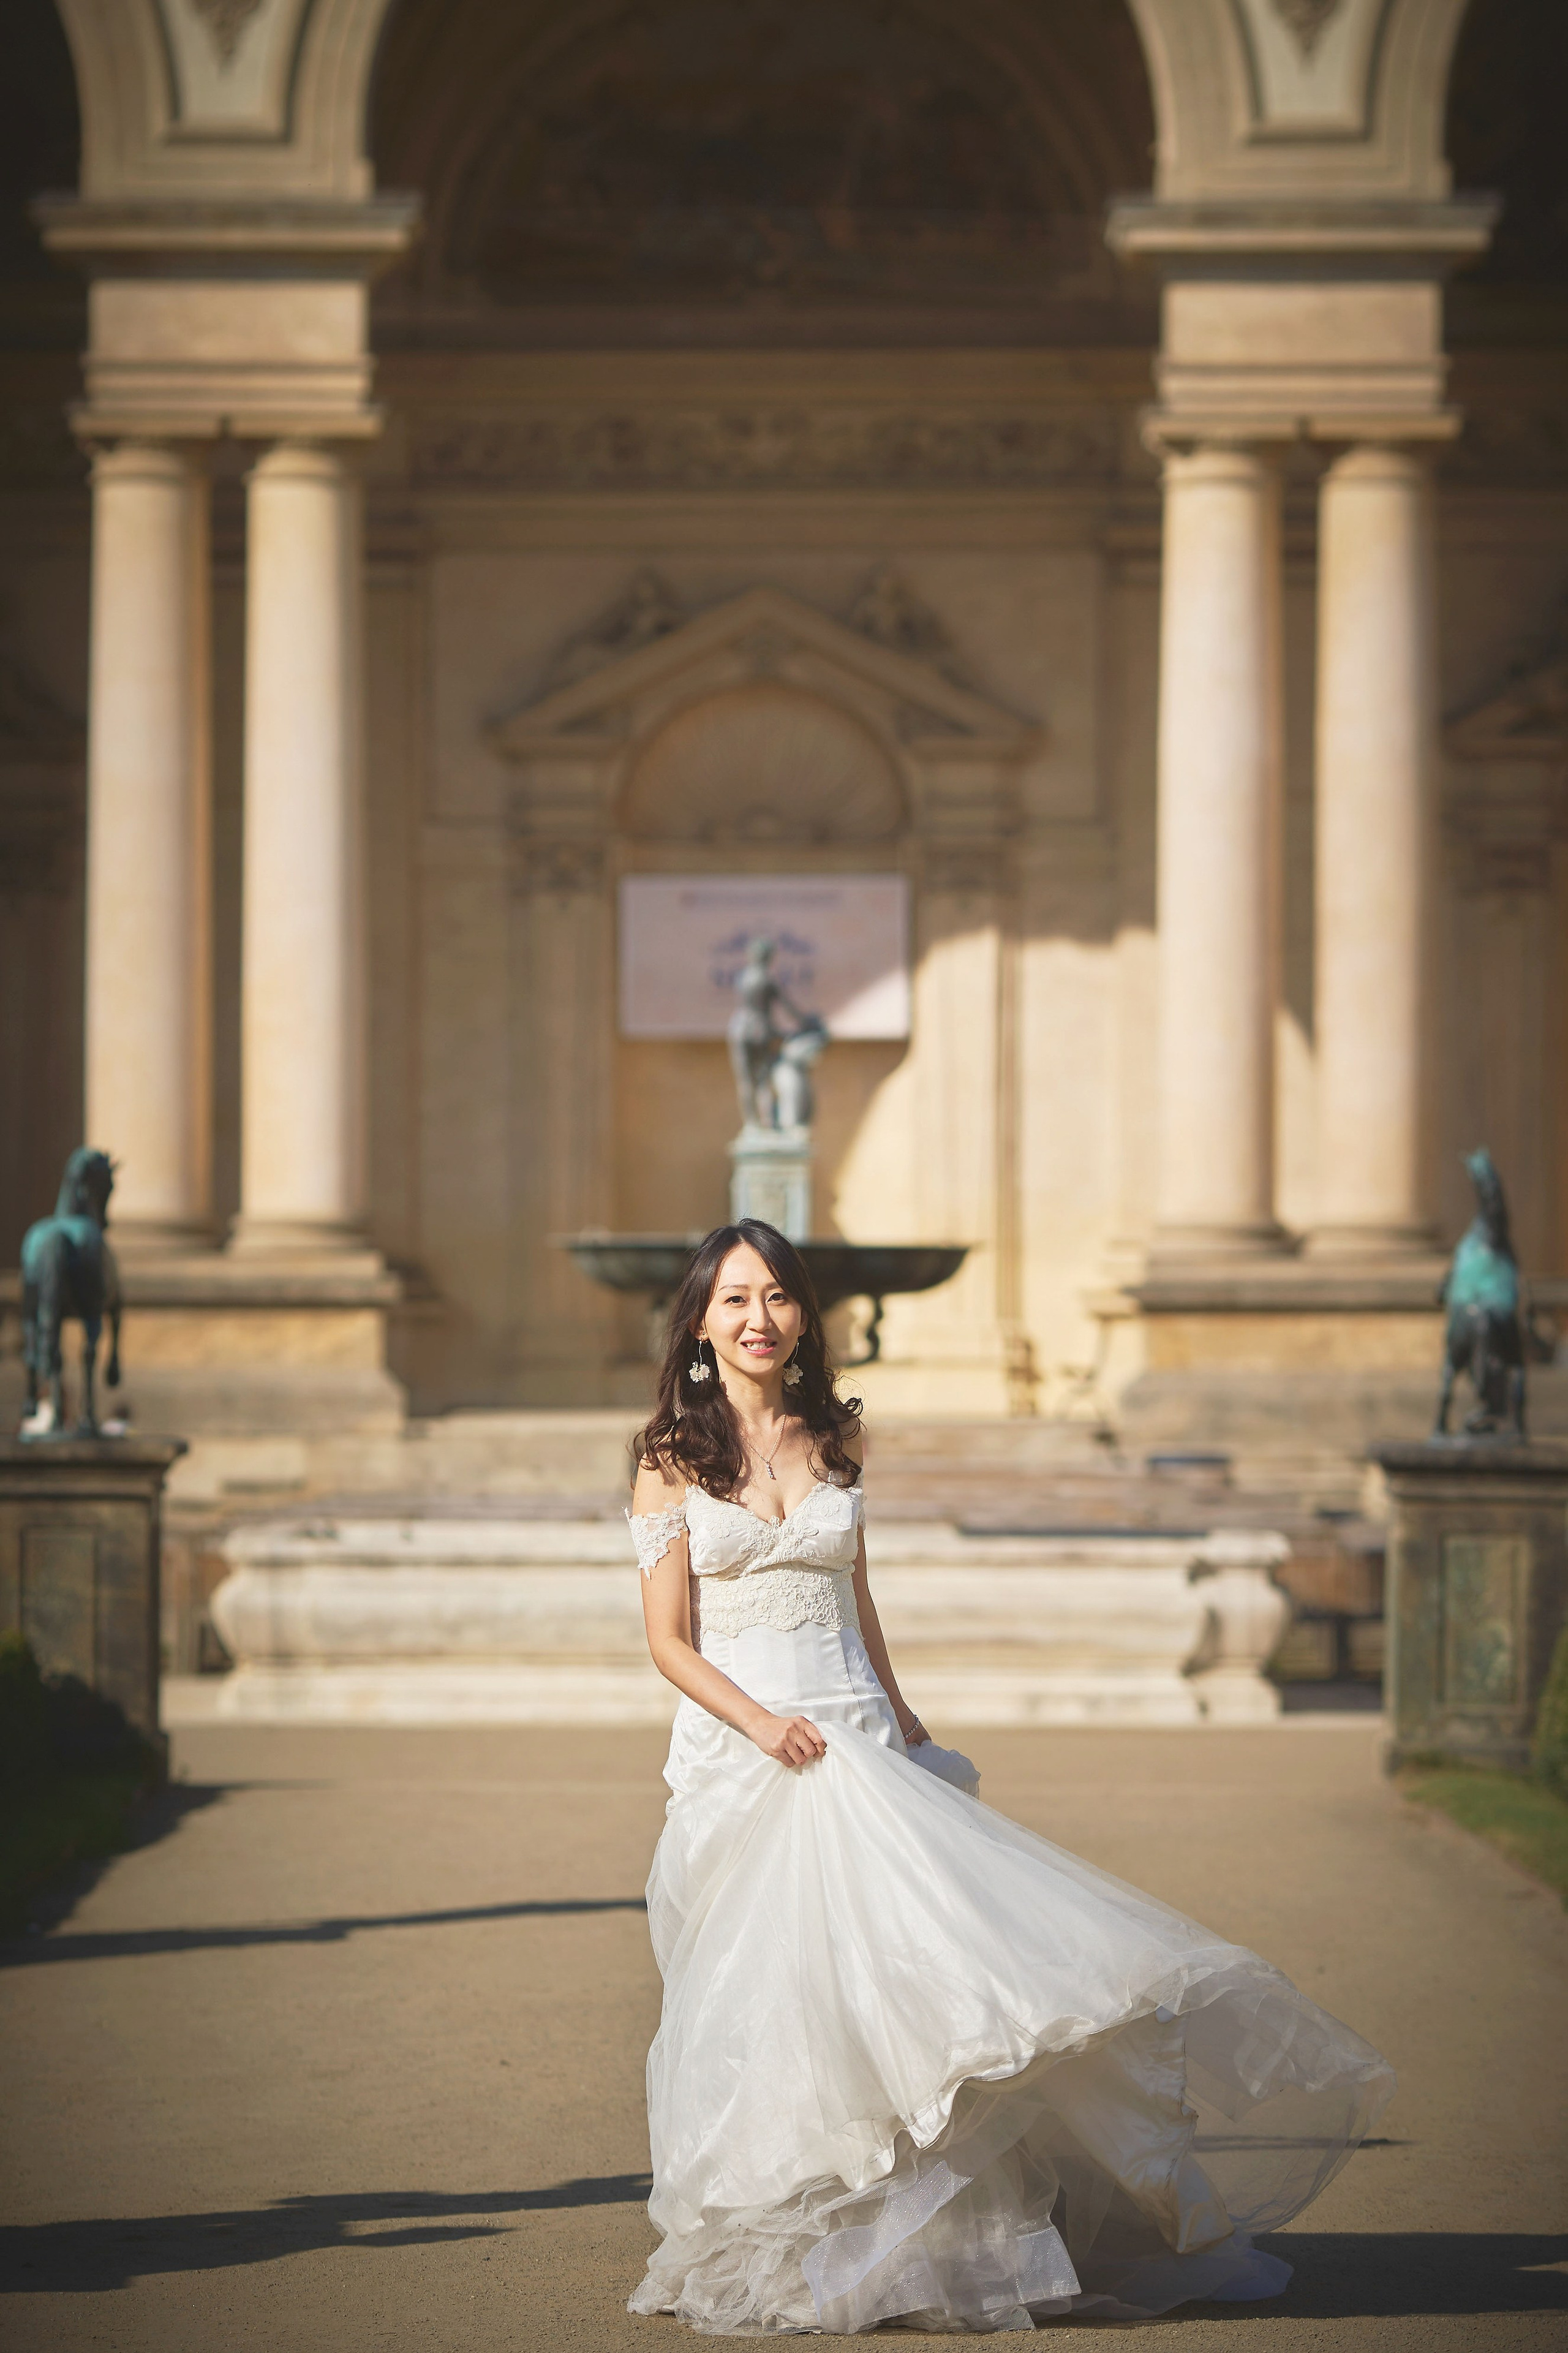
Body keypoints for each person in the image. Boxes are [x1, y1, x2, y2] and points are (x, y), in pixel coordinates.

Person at [627, 1219, 1393, 2335]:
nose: (759, 1318)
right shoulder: (669, 1454)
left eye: (778, 1296)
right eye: (736, 1298)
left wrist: (895, 1704)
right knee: (788, 2002)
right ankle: (808, 2224)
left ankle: (945, 2244)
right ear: (701, 1320)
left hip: (859, 1738)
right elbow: (669, 1640)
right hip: (751, 1751)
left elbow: (858, 1595)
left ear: (801, 1315)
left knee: (927, 1988)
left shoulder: (832, 1436)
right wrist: (758, 1723)